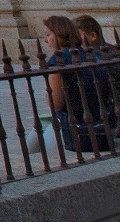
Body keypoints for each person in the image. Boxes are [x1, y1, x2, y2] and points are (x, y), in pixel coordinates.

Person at [41, 15, 113, 154]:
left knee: (38, 138)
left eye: (48, 35)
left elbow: (56, 103)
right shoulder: (92, 55)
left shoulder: (58, 61)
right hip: (106, 128)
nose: (45, 40)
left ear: (60, 35)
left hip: (80, 132)